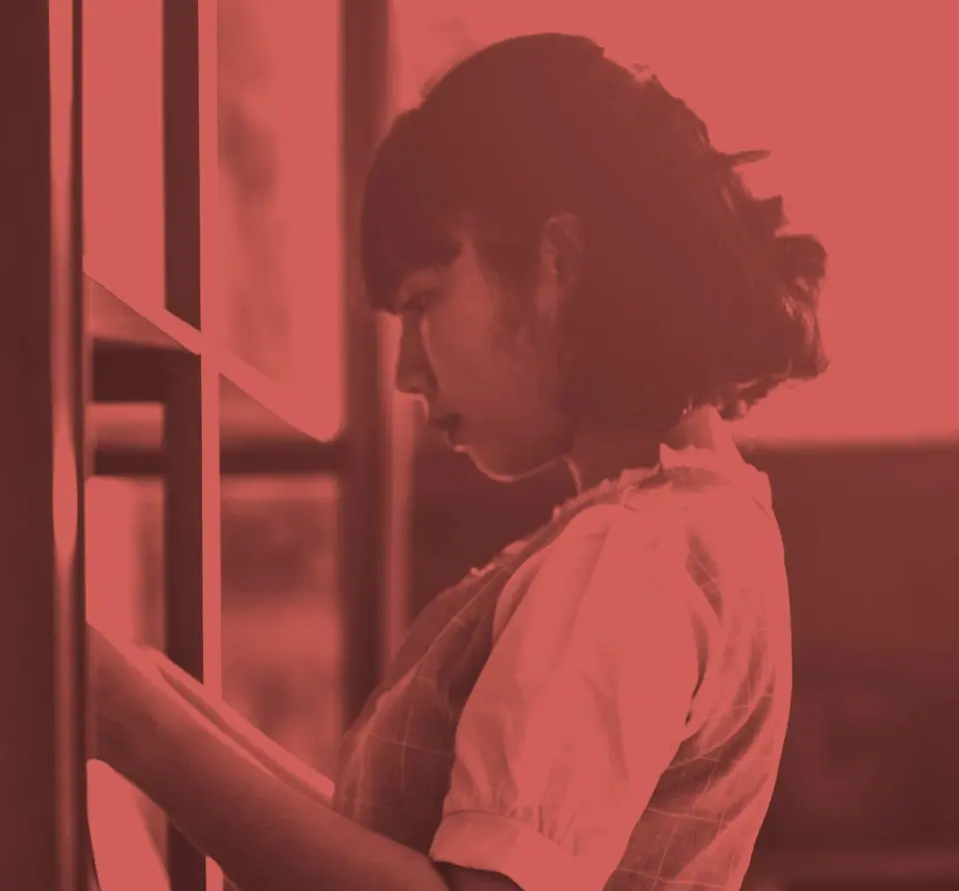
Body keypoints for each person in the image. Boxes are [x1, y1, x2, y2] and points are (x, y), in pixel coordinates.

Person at [87, 32, 827, 891]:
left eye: (422, 302)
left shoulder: (628, 556)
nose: (408, 371)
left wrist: (139, 730)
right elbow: (415, 856)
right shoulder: (708, 527)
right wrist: (153, 695)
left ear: (556, 265)